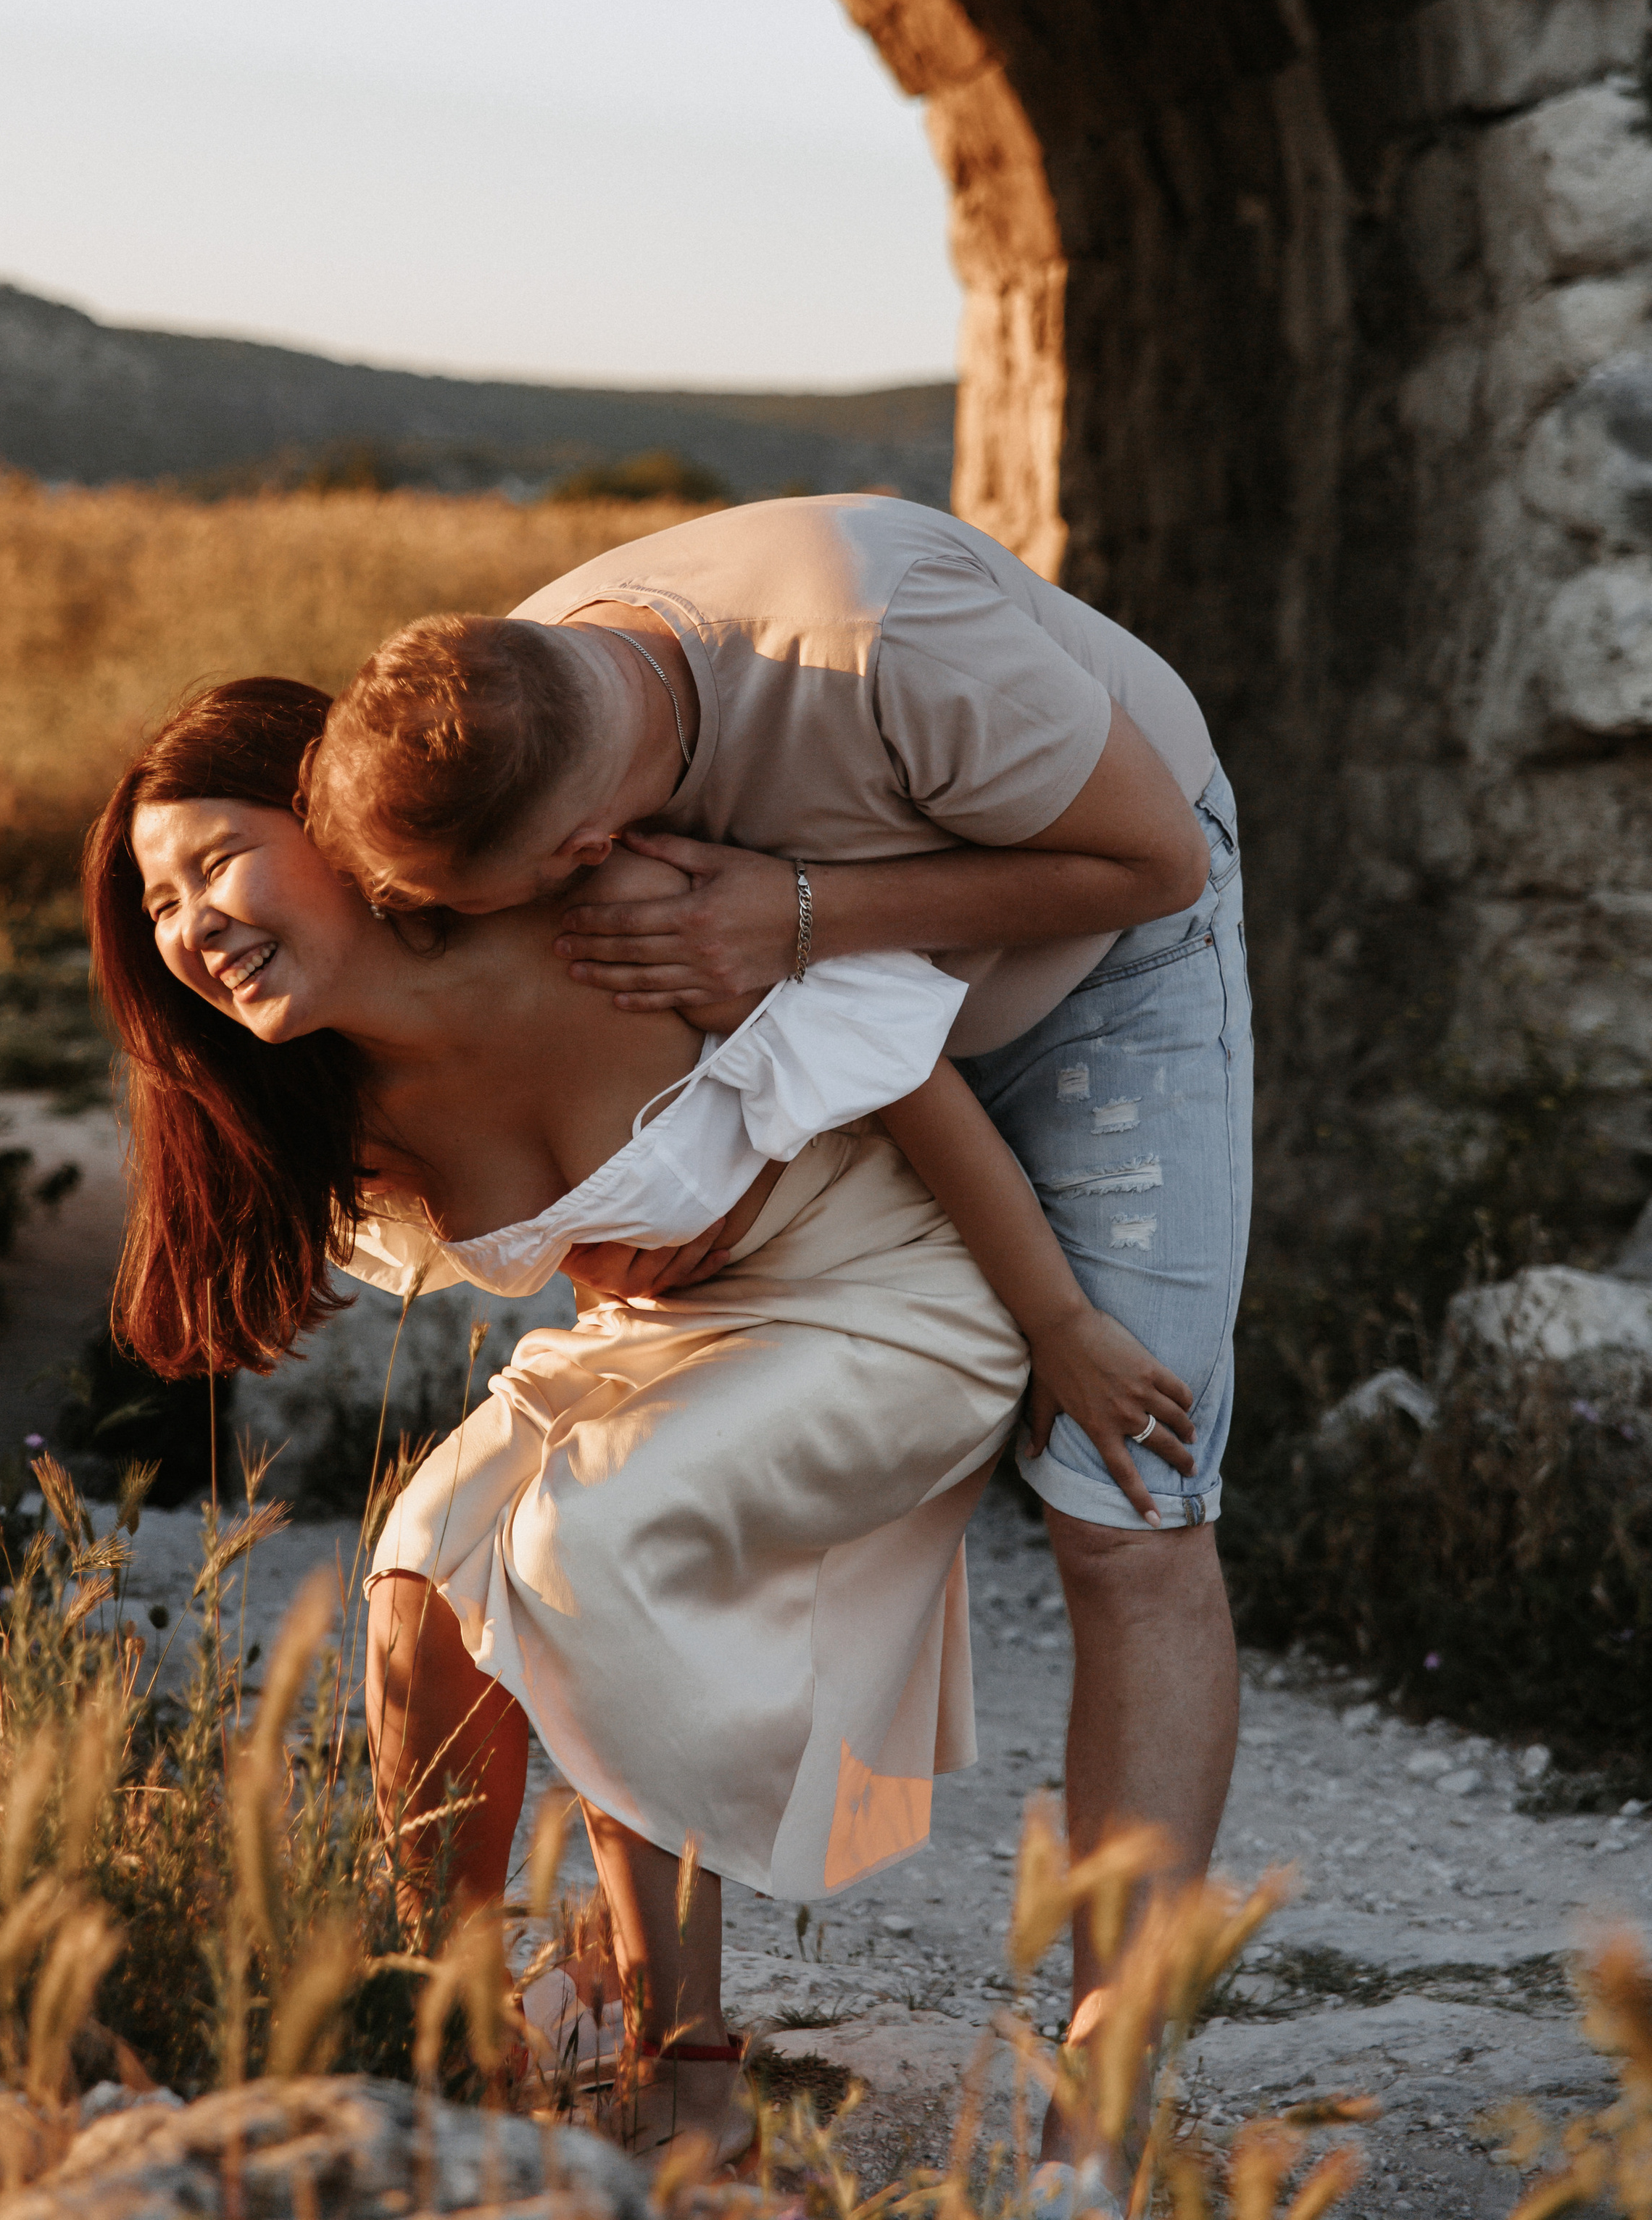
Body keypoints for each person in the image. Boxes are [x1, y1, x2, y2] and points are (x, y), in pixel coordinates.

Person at [85, 676, 1197, 2166]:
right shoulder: (324, 1104)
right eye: (159, 903)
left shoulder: (588, 923)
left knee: (585, 1546)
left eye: (217, 861)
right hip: (669, 1335)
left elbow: (909, 1080)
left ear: (334, 821)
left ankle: (687, 2075)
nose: (192, 926)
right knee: (423, 1554)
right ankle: (452, 2020)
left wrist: (1061, 1323)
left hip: (892, 1299)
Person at [300, 493, 1253, 2151]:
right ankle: (627, 2035)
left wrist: (793, 914)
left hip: (1100, 970)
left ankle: (1097, 2120)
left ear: (577, 850)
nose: (440, 936)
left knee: (1127, 1502)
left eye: (460, 908)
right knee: (577, 1526)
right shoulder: (523, 699)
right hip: (835, 1006)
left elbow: (1151, 854)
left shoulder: (872, 639)